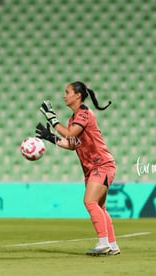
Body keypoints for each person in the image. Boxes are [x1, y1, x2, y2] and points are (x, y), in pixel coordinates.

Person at [36, 81, 120, 256]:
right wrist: (50, 137)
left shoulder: (84, 113)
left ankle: (103, 243)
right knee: (100, 207)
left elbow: (70, 133)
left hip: (101, 164)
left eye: (67, 92)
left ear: (77, 95)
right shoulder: (73, 119)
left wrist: (52, 118)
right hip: (93, 168)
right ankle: (112, 245)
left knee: (89, 202)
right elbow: (72, 144)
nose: (64, 95)